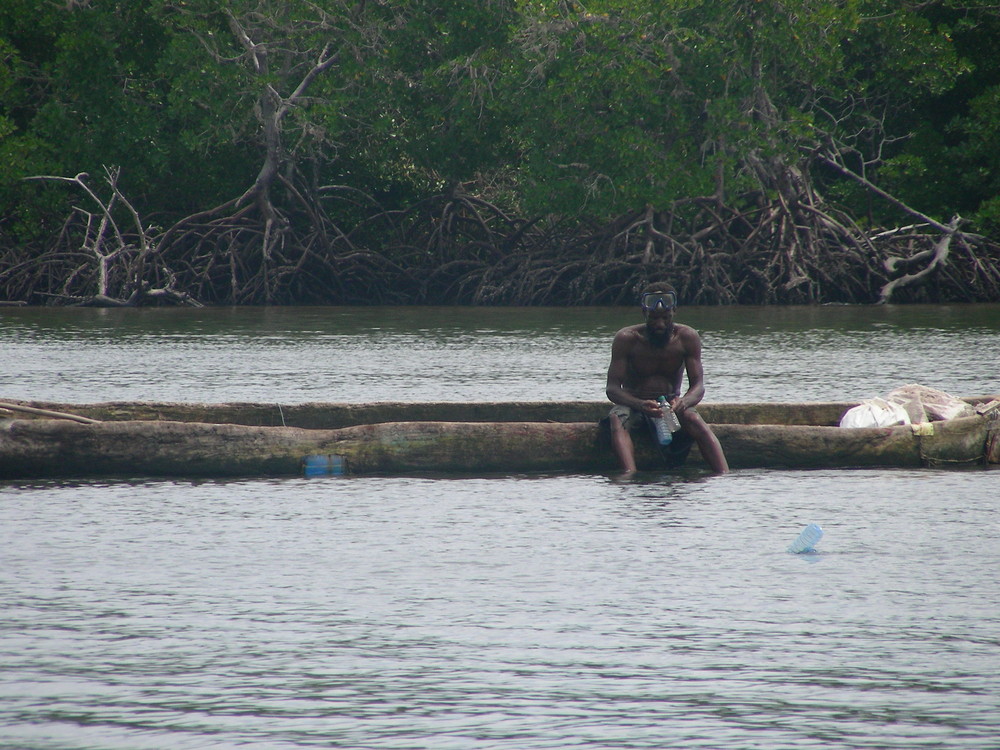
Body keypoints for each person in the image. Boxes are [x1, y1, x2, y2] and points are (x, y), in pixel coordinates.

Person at [605, 283, 729, 474]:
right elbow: (612, 389)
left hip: (670, 406)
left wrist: (683, 402)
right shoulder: (627, 339)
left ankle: (723, 474)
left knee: (694, 419)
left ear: (674, 312)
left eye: (665, 318)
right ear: (644, 313)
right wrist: (640, 404)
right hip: (634, 404)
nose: (660, 324)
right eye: (654, 318)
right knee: (616, 418)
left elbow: (698, 386)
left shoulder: (687, 337)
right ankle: (629, 475)